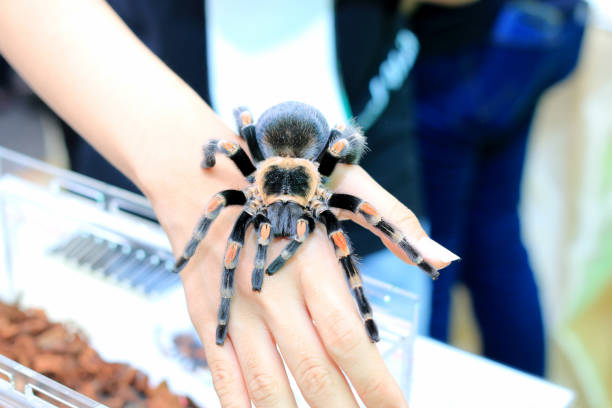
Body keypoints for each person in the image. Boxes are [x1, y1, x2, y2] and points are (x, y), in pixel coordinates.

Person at [0, 1, 457, 407]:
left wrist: (409, 249)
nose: (279, 222)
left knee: (341, 245)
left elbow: (348, 145)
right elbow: (229, 160)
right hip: (138, 101)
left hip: (368, 94)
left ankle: (368, 310)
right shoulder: (247, 183)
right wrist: (188, 191)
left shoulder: (322, 181)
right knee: (231, 231)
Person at [410, 0, 586, 375]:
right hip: (538, 28)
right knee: (494, 228)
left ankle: (427, 384)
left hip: (474, 51)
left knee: (429, 253)